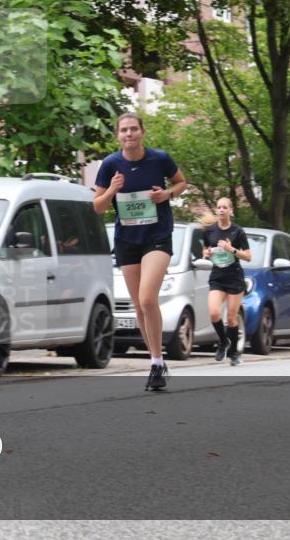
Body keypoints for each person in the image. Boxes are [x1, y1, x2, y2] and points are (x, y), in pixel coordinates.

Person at [93, 112, 188, 391]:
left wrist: (166, 195)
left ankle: (158, 363)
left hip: (157, 236)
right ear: (118, 135)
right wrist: (111, 189)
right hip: (127, 240)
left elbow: (181, 183)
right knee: (138, 305)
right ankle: (156, 361)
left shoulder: (159, 158)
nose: (129, 134)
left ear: (142, 132)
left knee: (148, 299)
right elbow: (97, 207)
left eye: (134, 129)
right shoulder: (111, 164)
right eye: (124, 130)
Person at [199, 197, 252, 366]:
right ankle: (223, 341)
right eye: (219, 207)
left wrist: (232, 249)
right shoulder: (209, 230)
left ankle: (234, 354)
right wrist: (206, 254)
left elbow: (248, 257)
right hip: (217, 276)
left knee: (231, 318)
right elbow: (206, 249)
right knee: (214, 313)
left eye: (224, 207)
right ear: (216, 210)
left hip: (235, 276)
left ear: (230, 210)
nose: (221, 210)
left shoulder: (238, 231)